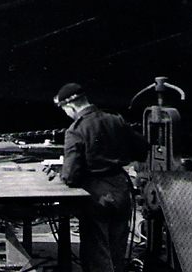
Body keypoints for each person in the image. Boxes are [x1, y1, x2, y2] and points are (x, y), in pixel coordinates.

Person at [55, 83, 148, 272]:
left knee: (97, 254)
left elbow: (71, 176)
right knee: (117, 251)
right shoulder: (116, 120)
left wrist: (61, 175)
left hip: (96, 195)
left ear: (70, 106)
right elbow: (142, 149)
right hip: (121, 189)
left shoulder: (76, 130)